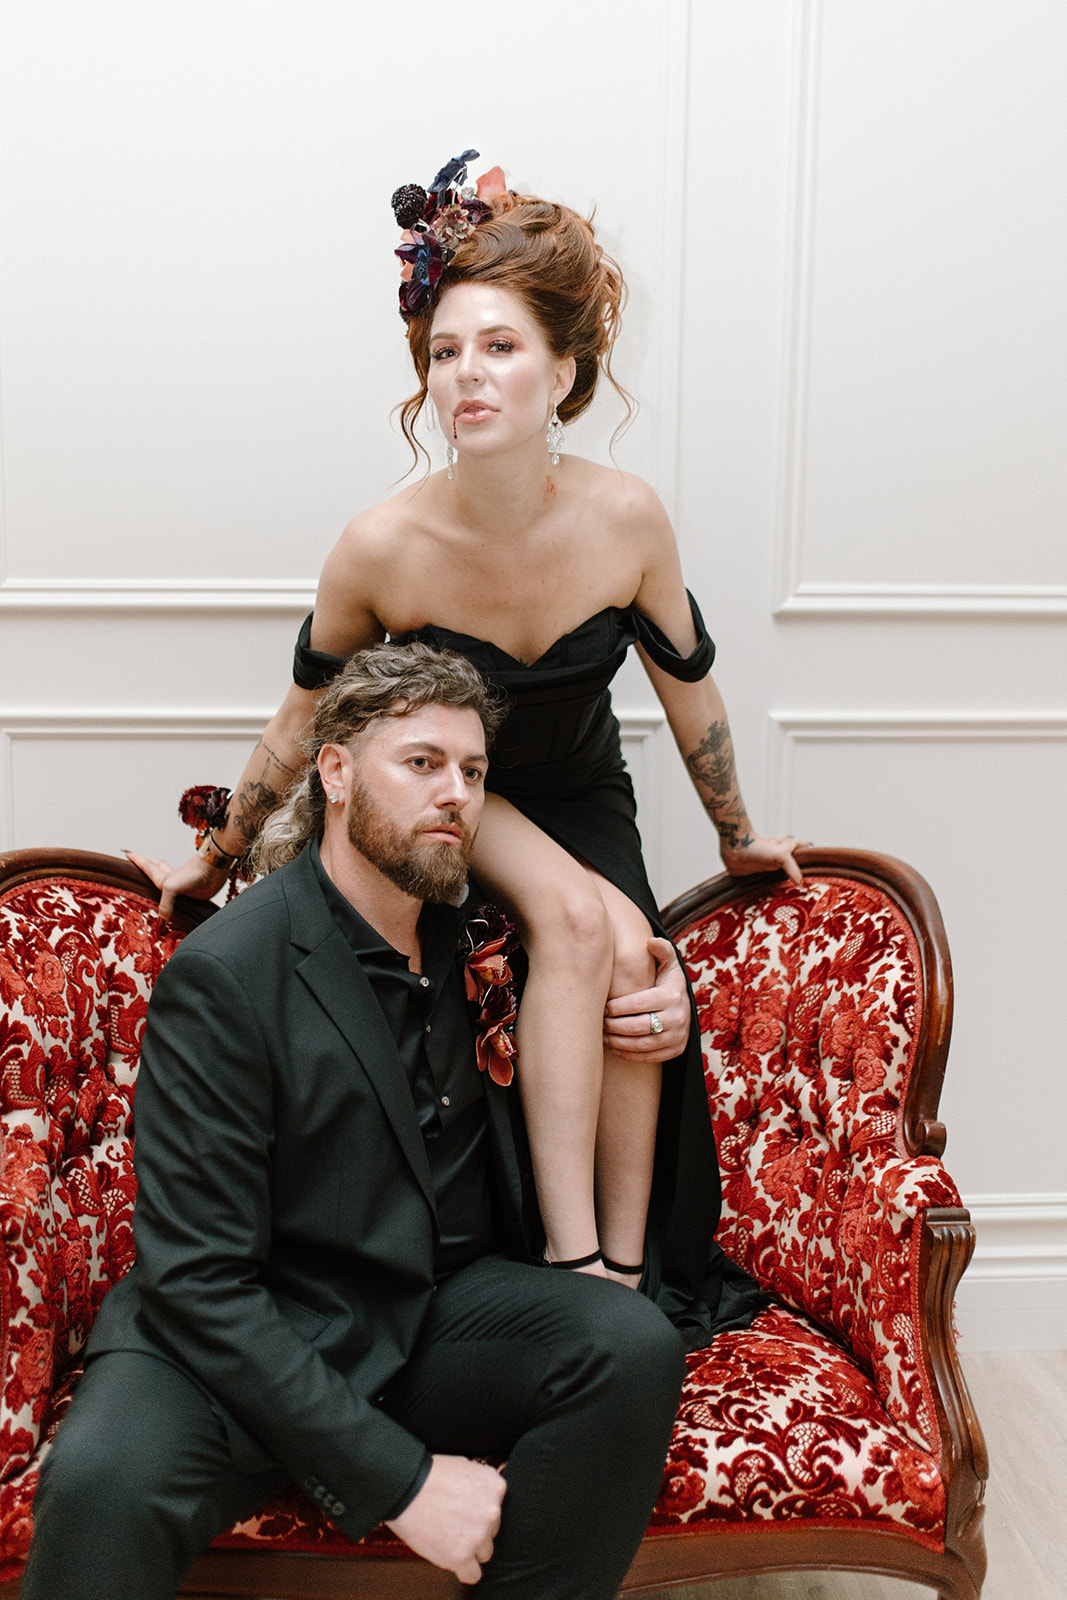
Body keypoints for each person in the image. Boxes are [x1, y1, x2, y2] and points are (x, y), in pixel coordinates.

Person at [129, 150, 802, 1344]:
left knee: (642, 961)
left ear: (564, 370)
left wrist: (738, 837)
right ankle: (568, 1259)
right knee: (580, 921)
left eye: (496, 347)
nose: (465, 376)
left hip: (582, 787)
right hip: (456, 785)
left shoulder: (626, 516)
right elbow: (300, 717)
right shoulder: (381, 544)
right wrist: (222, 844)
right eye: (444, 351)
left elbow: (688, 690)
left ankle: (635, 1276)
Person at [23, 643, 687, 1600]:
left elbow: (607, 956)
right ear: (334, 771)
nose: (454, 792)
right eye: (421, 763)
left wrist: (663, 1010)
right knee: (100, 1487)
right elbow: (199, 1280)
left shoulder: (483, 937)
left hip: (427, 1315)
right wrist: (404, 1483)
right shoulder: (227, 973)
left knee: (626, 1346)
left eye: (472, 771)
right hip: (248, 1324)